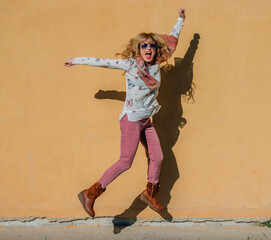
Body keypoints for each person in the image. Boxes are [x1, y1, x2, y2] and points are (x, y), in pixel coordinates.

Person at [64, 8, 186, 217]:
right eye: (144, 45)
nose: (148, 48)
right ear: (139, 49)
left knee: (157, 156)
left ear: (156, 50)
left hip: (146, 120)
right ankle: (90, 193)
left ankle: (150, 193)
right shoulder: (130, 65)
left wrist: (180, 19)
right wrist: (76, 60)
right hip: (131, 119)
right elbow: (103, 62)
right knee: (125, 162)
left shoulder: (157, 65)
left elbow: (173, 39)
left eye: (152, 45)